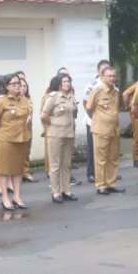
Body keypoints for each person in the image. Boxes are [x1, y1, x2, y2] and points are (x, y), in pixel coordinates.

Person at [0, 74, 33, 210]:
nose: (17, 86)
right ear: (7, 87)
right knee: (5, 169)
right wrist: (3, 131)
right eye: (13, 84)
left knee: (18, 169)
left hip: (22, 138)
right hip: (6, 139)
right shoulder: (1, 101)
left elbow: (27, 117)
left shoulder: (24, 100)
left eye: (18, 84)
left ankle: (17, 196)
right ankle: (5, 198)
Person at [85, 64, 125, 195]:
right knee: (101, 159)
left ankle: (111, 183)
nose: (112, 78)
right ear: (102, 77)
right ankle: (101, 185)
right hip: (101, 130)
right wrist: (98, 119)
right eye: (109, 76)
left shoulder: (116, 91)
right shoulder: (97, 90)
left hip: (114, 129)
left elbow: (118, 108)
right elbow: (89, 108)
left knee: (113, 158)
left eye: (113, 76)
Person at [41, 74, 79, 203]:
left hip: (69, 134)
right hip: (55, 134)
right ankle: (56, 192)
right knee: (55, 165)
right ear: (59, 84)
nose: (67, 83)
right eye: (64, 81)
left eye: (68, 81)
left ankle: (66, 190)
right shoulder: (53, 97)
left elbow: (74, 114)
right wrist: (53, 125)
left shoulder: (71, 97)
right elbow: (44, 115)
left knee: (66, 164)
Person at [82, 60, 111, 183]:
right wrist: (93, 117)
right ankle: (91, 173)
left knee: (107, 149)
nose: (105, 71)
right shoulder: (92, 85)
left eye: (107, 68)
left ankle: (106, 174)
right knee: (93, 149)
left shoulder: (112, 85)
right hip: (93, 122)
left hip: (108, 123)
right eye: (103, 69)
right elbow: (85, 102)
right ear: (99, 71)